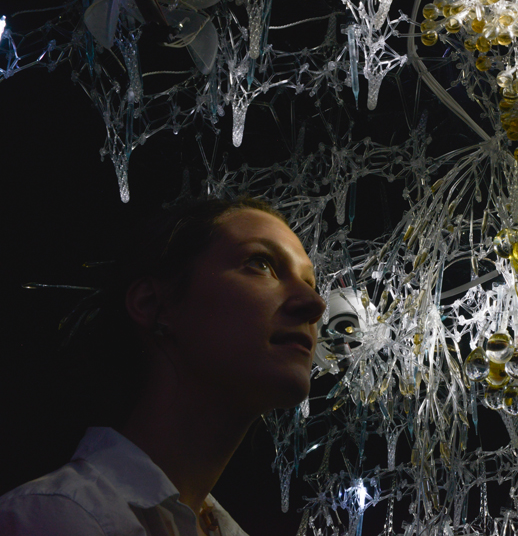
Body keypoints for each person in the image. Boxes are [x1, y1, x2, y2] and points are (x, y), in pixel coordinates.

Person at [0, 197, 327, 536]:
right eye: (260, 263)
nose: (314, 303)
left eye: (310, 284)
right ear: (153, 303)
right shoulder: (55, 519)